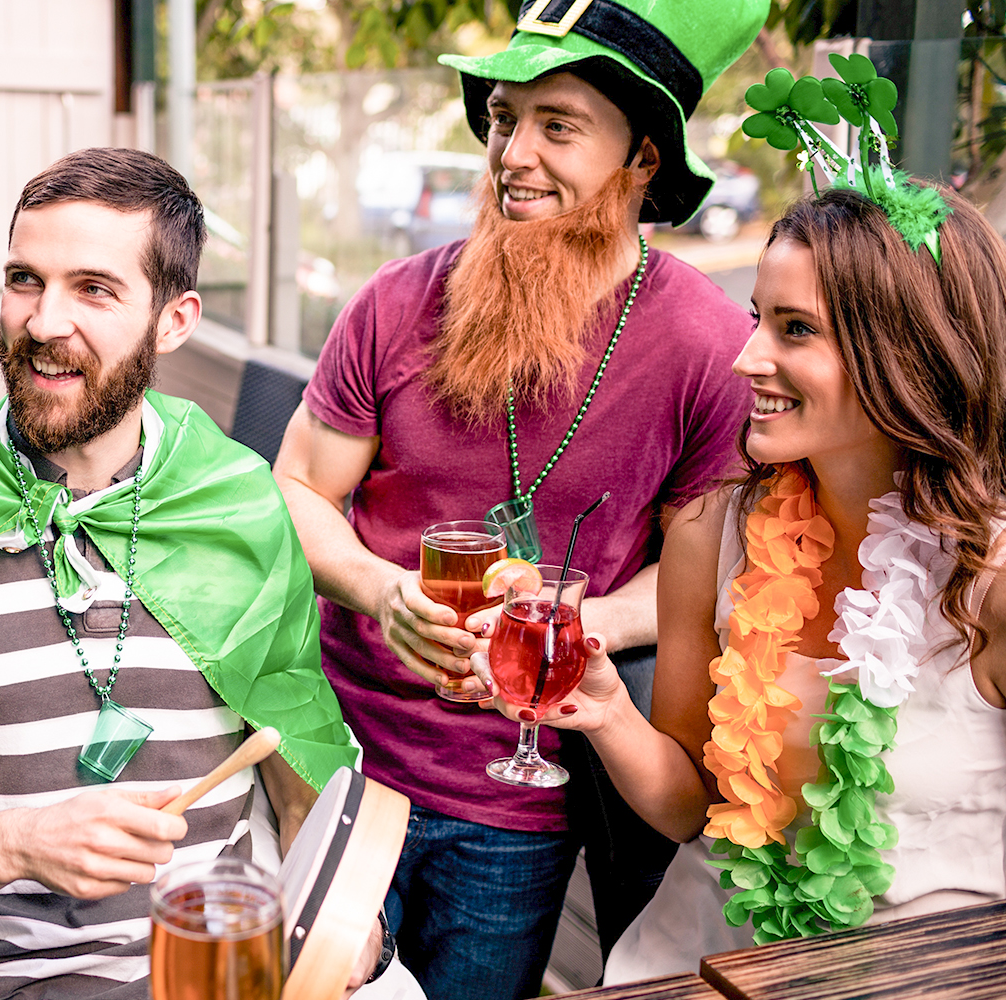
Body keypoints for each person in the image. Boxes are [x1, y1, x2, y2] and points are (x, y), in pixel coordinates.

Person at [271, 1, 768, 996]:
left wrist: (581, 622)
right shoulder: (396, 300)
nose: (513, 154)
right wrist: (378, 589)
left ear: (642, 158)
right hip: (339, 761)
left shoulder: (710, 348)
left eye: (558, 125)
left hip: (518, 806)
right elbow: (295, 488)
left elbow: (701, 570)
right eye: (503, 119)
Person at [0, 147, 374, 1000]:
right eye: (25, 280)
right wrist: (12, 845)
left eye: (94, 289)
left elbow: (301, 802)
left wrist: (344, 926)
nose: (43, 323)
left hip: (216, 973)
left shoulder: (236, 509)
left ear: (173, 321)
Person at [501, 150, 1006, 986]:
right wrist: (605, 709)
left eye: (795, 329)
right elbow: (689, 807)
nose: (745, 358)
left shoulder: (989, 580)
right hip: (697, 964)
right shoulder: (710, 533)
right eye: (756, 319)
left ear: (907, 353)